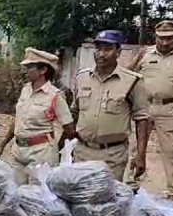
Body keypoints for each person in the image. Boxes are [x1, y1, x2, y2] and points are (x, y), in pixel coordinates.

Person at [71, 30, 150, 182]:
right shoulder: (82, 78)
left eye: (108, 49)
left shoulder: (132, 81)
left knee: (106, 202)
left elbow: (142, 119)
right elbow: (75, 111)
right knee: (80, 198)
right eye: (98, 49)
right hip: (82, 152)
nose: (101, 54)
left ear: (118, 52)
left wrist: (141, 154)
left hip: (112, 156)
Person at [0, 48, 76, 184]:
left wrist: (55, 148)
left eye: (30, 67)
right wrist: (2, 145)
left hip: (41, 153)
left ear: (43, 70)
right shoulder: (26, 90)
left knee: (37, 197)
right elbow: (17, 120)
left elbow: (69, 127)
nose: (26, 70)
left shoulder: (55, 96)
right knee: (15, 193)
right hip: (18, 151)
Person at [129, 20, 173, 195]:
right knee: (136, 148)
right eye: (161, 38)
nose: (164, 42)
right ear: (155, 36)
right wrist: (136, 59)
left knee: (171, 151)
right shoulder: (145, 54)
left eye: (169, 38)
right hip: (144, 107)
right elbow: (127, 74)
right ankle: (131, 186)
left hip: (169, 109)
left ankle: (172, 190)